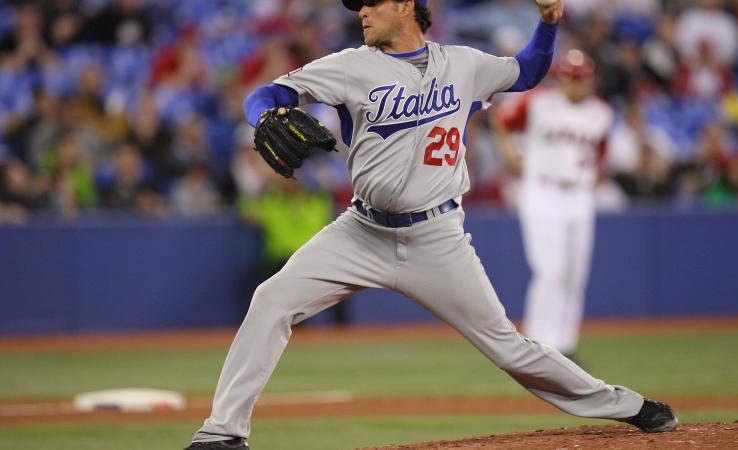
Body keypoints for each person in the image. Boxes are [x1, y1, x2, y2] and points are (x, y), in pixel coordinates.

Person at [185, 1, 678, 448]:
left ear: (406, 6)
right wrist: (263, 116)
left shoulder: (462, 64)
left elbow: (526, 72)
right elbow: (268, 93)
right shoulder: (350, 65)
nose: (361, 12)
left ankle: (627, 405)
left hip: (437, 237)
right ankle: (223, 434)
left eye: (371, 3)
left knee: (510, 349)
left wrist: (548, 25)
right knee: (271, 299)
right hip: (361, 231)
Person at [492, 49, 613, 361]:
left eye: (581, 79)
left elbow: (601, 153)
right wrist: (508, 153)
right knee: (551, 269)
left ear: (591, 80)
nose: (575, 84)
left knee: (575, 273)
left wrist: (592, 178)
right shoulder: (539, 102)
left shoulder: (602, 112)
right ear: (560, 78)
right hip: (542, 190)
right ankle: (540, 343)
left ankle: (566, 343)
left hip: (580, 195)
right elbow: (502, 118)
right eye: (570, 78)